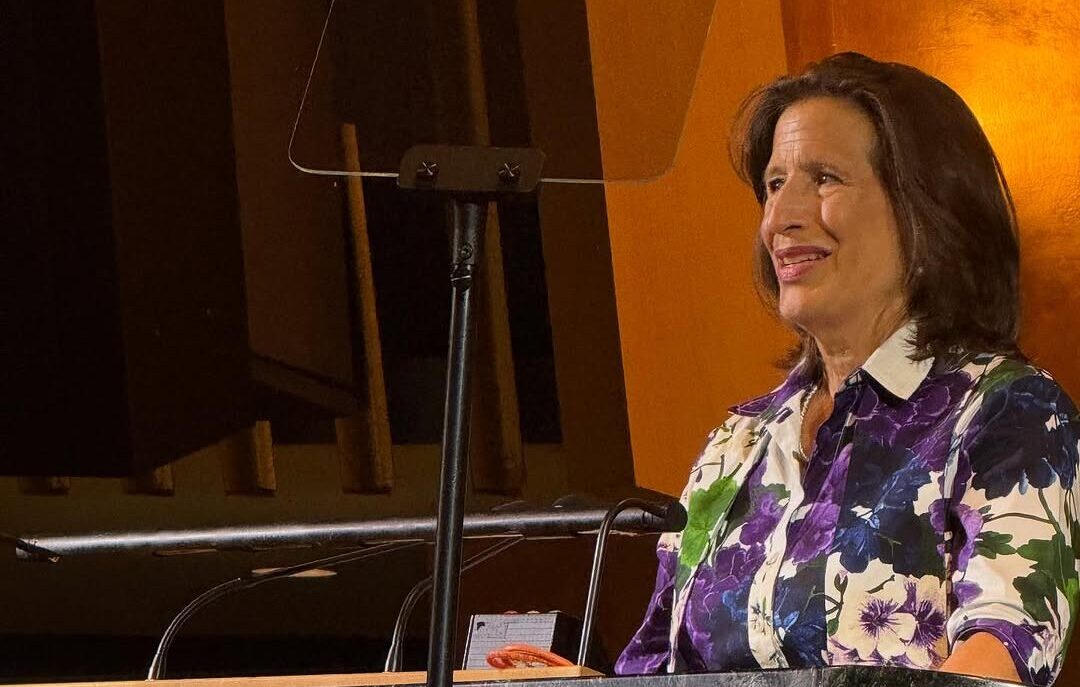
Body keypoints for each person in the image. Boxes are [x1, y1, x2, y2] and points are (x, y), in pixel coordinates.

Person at [615, 52, 1080, 686]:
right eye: (774, 184)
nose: (780, 218)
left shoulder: (1011, 415)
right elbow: (653, 672)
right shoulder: (738, 444)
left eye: (825, 178)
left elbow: (1000, 658)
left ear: (926, 212)